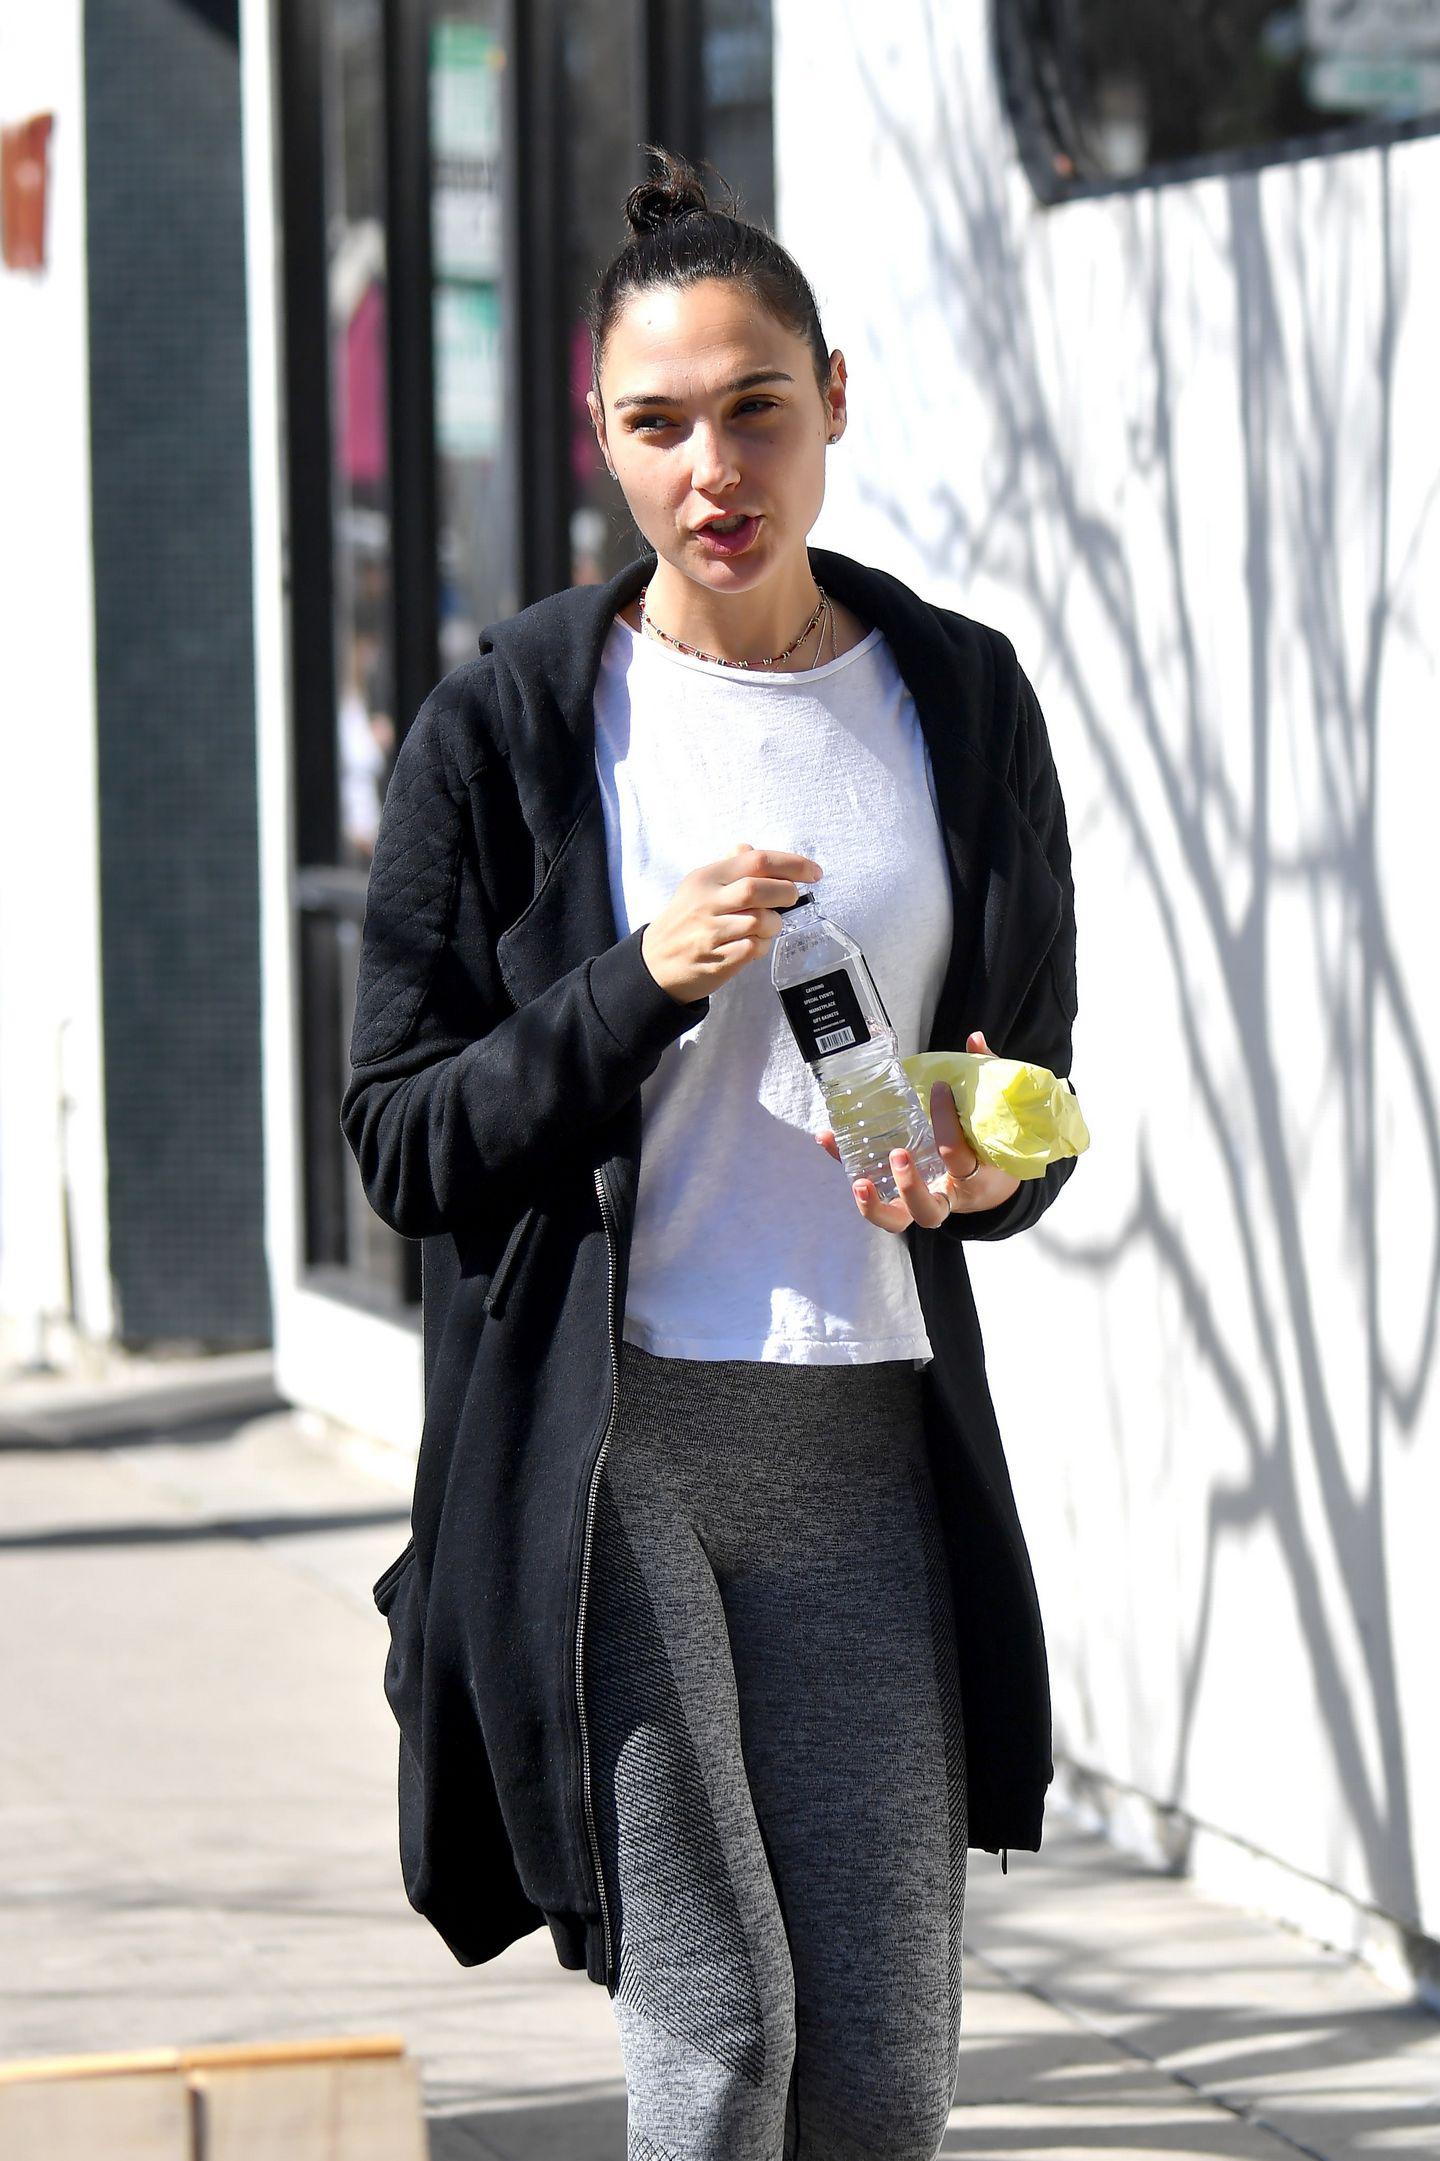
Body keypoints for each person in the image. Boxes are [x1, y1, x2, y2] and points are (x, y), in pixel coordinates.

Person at [343, 145, 1080, 2161]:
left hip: (870, 1448)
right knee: (727, 2034)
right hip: (617, 1451)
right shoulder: (507, 721)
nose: (710, 465)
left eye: (756, 406)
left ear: (835, 395)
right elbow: (402, 1134)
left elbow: (1035, 1084)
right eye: (657, 423)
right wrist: (634, 980)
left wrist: (985, 1163)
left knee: (881, 2080)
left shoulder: (959, 698)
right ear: (597, 434)